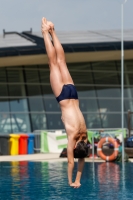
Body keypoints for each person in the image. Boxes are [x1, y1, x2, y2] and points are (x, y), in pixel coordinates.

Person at [41, 18, 88, 188]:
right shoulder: (73, 137)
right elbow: (71, 162)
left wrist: (79, 179)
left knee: (61, 62)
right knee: (53, 63)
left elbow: (82, 159)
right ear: (75, 146)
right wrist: (71, 181)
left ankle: (53, 30)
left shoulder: (85, 135)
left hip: (73, 94)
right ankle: (45, 32)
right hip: (63, 96)